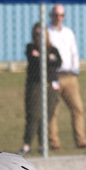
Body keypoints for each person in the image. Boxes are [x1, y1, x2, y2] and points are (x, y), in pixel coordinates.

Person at [48, 4, 86, 150]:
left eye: (61, 15)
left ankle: (81, 141)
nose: (58, 18)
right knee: (53, 111)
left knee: (77, 108)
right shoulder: (47, 32)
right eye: (55, 15)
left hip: (69, 76)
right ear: (51, 15)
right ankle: (53, 143)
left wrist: (75, 69)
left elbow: (74, 52)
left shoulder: (68, 33)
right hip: (54, 76)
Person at [20, 22, 62, 155]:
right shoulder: (30, 47)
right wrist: (48, 59)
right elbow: (34, 61)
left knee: (48, 114)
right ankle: (27, 144)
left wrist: (42, 57)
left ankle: (42, 144)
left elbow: (58, 62)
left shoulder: (53, 49)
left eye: (42, 33)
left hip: (51, 84)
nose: (39, 36)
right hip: (36, 83)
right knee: (33, 114)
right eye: (37, 33)